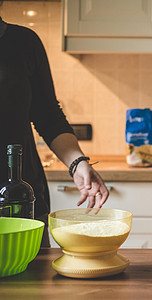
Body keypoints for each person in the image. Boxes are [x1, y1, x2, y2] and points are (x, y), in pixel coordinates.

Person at [0, 14, 109, 246]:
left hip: (23, 204)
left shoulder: (24, 43)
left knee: (33, 280)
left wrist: (77, 163)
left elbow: (48, 116)